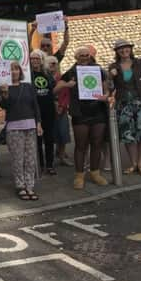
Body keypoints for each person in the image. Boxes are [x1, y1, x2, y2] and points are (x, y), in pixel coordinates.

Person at [55, 46, 110, 189]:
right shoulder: (71, 72)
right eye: (81, 55)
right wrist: (67, 84)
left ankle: (95, 173)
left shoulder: (98, 70)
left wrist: (106, 95)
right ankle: (79, 175)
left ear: (90, 56)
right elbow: (55, 89)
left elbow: (106, 89)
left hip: (98, 111)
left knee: (97, 143)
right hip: (80, 112)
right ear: (76, 57)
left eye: (86, 55)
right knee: (81, 145)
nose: (84, 57)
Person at [0, 62, 43, 200]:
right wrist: (5, 93)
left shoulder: (28, 87)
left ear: (20, 71)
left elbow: (35, 105)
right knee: (18, 159)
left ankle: (30, 185)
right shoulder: (4, 88)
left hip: (30, 125)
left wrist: (39, 123)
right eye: (11, 70)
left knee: (30, 159)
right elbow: (4, 106)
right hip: (14, 127)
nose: (14, 72)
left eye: (16, 69)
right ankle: (20, 185)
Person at [108, 39, 141, 176]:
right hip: (123, 104)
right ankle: (133, 163)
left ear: (130, 49)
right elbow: (110, 87)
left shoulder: (140, 63)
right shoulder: (114, 66)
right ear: (117, 52)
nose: (124, 50)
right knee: (127, 135)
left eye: (126, 48)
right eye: (120, 48)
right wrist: (110, 76)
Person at [30, 49, 57, 175]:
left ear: (42, 60)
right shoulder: (27, 75)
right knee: (38, 140)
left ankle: (50, 164)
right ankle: (39, 164)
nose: (35, 61)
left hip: (49, 110)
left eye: (37, 58)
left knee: (49, 138)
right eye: (32, 58)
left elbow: (53, 90)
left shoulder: (47, 74)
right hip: (35, 111)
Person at [45, 55, 73, 166]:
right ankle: (49, 159)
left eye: (54, 63)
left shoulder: (62, 77)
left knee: (63, 134)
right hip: (49, 110)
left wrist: (62, 106)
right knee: (50, 135)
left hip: (62, 110)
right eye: (50, 63)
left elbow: (67, 93)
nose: (52, 65)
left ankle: (62, 157)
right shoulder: (44, 78)